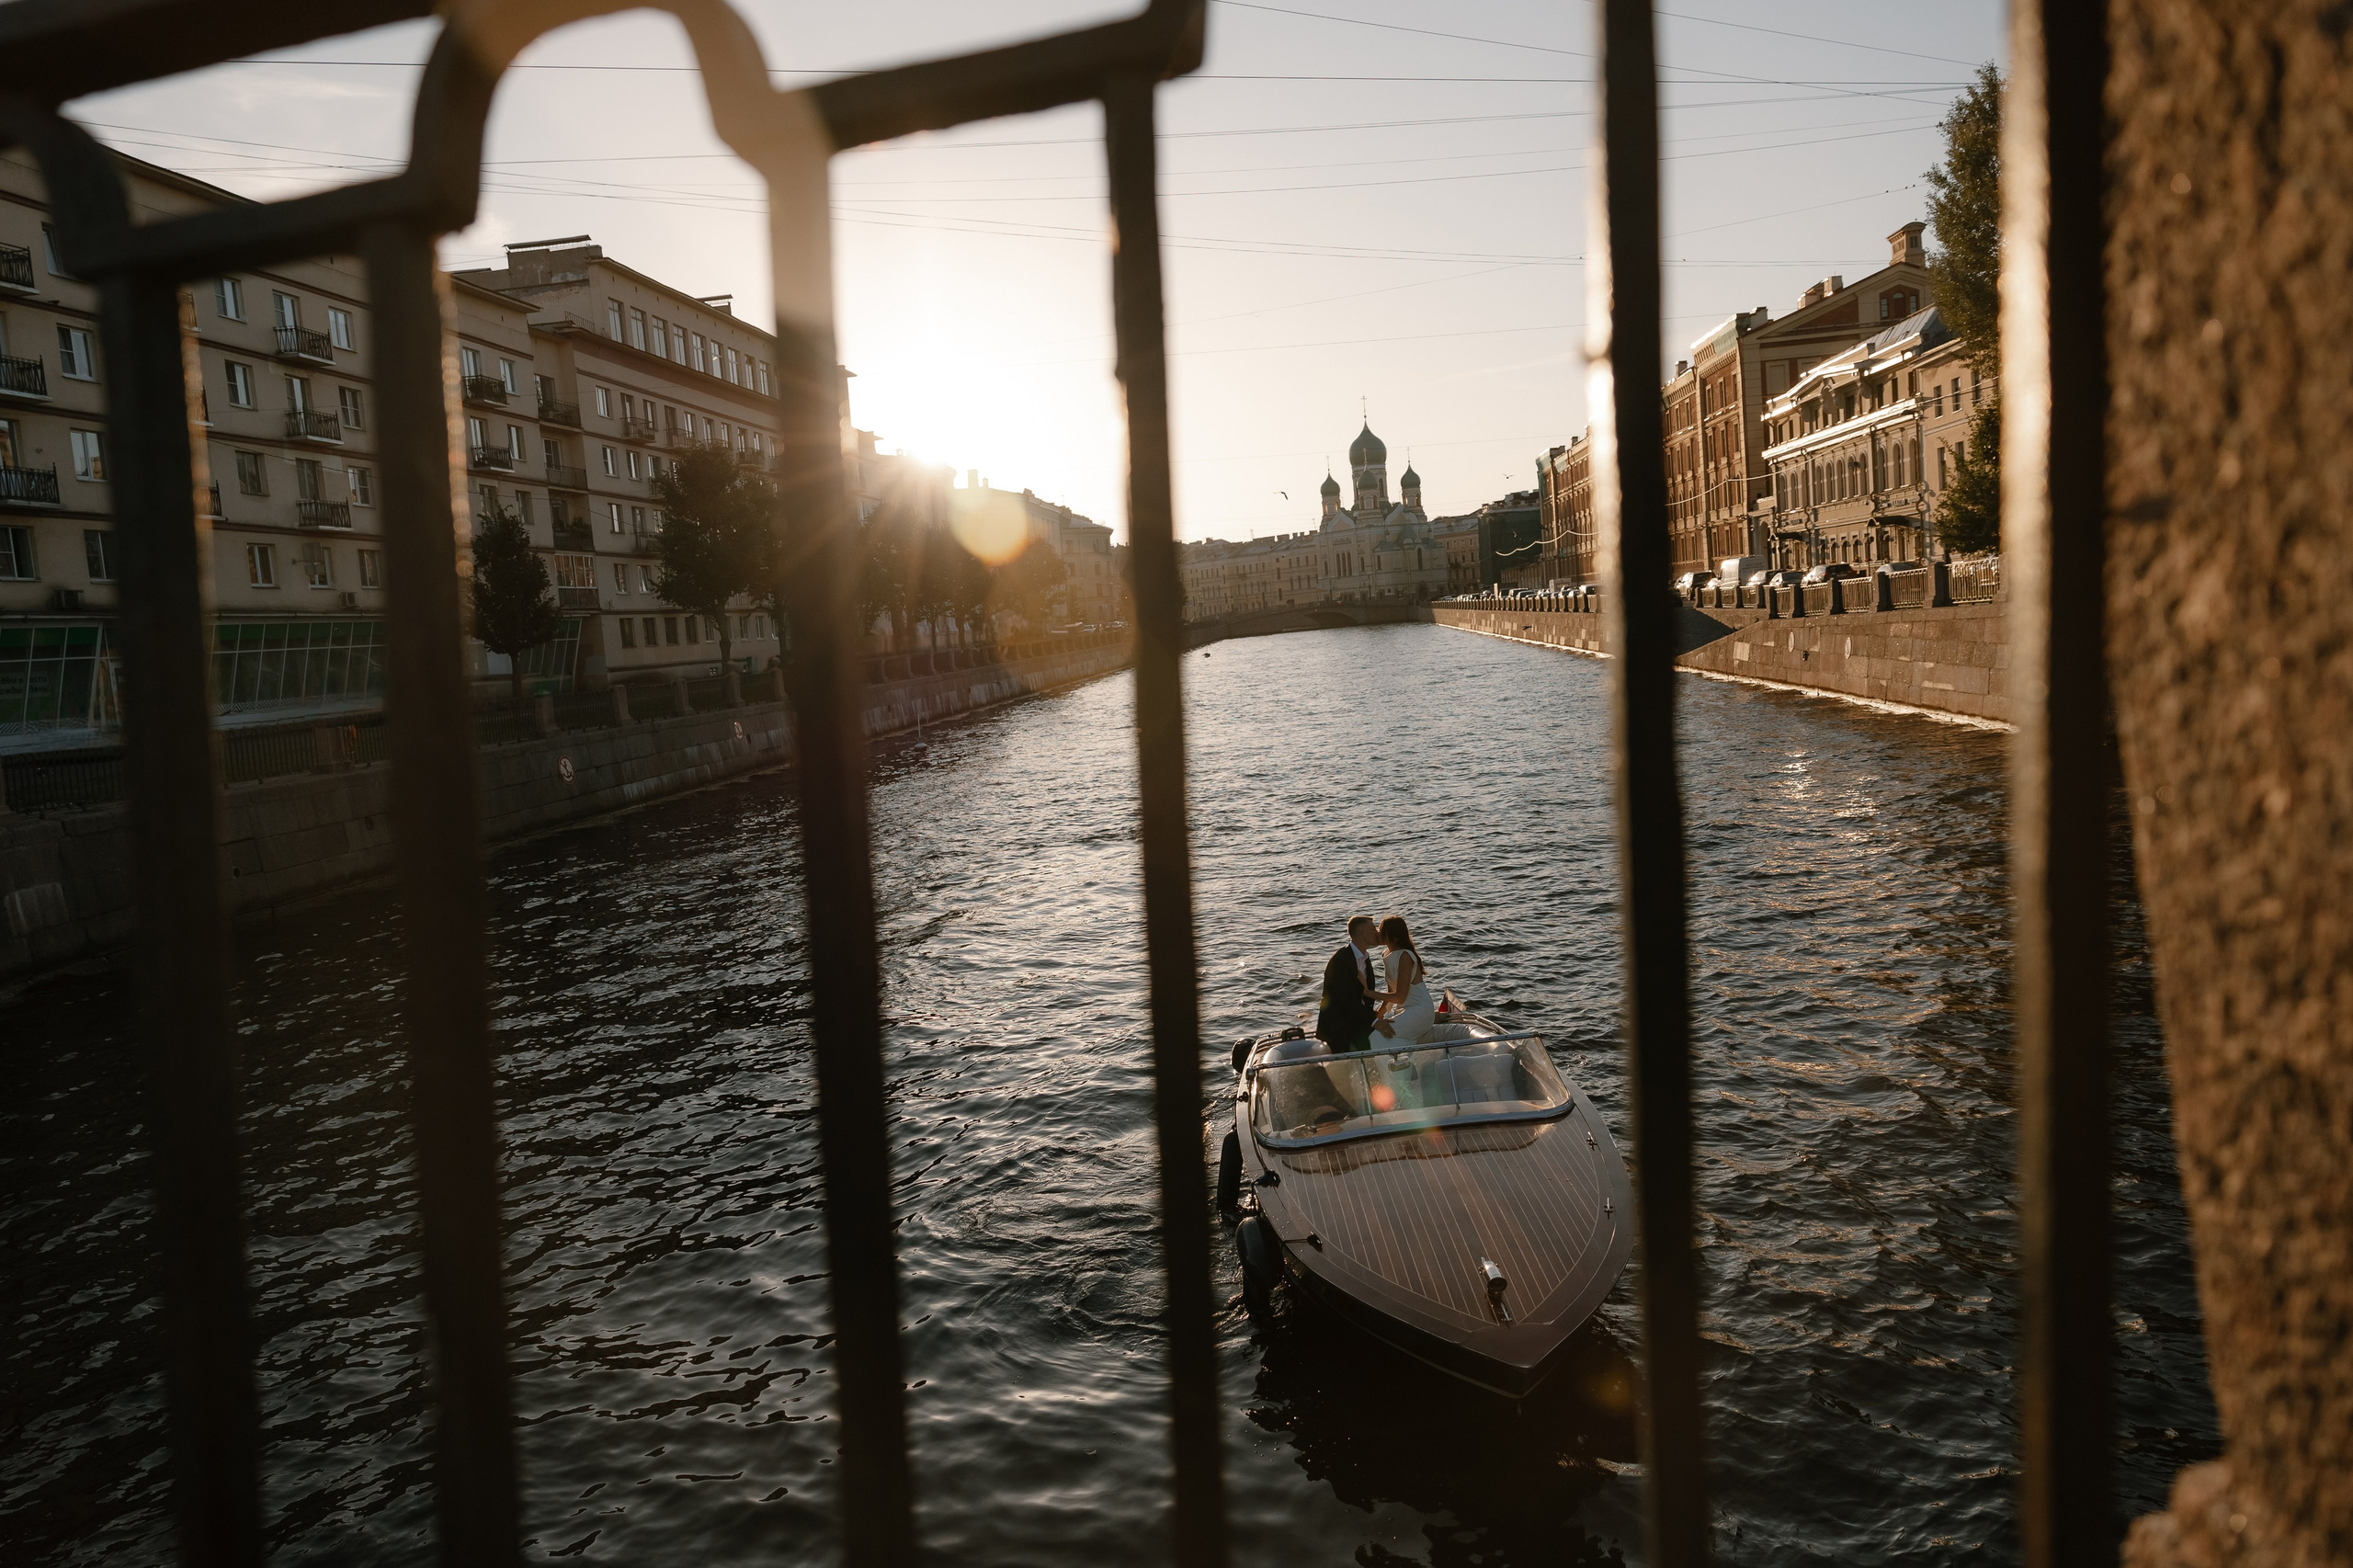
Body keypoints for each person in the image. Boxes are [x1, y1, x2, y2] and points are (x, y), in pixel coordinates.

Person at [1314, 915, 1382, 1051]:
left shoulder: (1365, 957)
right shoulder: (1340, 960)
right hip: (1338, 1024)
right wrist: (1374, 1021)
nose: (1377, 932)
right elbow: (1345, 999)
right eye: (1373, 929)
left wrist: (1372, 1016)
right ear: (1362, 932)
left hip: (1357, 1020)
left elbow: (1363, 996)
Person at [1370, 914, 1436, 1045]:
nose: (1378, 933)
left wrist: (1368, 993)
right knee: (1374, 1029)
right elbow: (1391, 993)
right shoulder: (1386, 954)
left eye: (1382, 932)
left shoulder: (1405, 956)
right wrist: (1378, 1016)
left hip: (1420, 1010)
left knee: (1377, 1036)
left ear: (1394, 939)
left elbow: (1399, 997)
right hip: (1406, 1010)